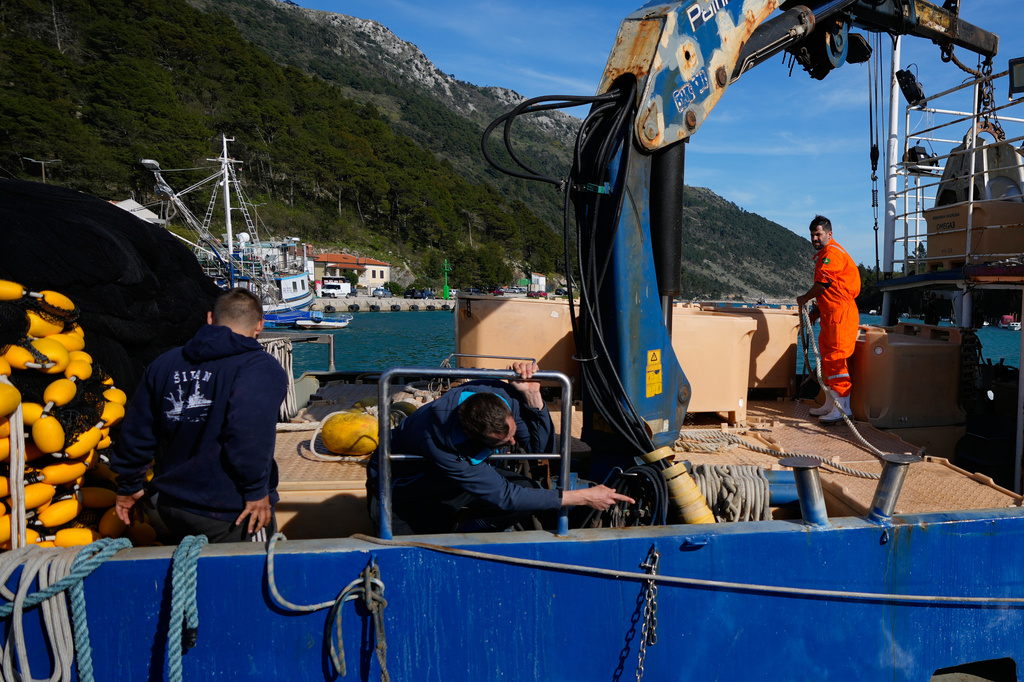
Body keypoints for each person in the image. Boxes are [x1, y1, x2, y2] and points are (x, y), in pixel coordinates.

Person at [367, 361, 633, 535]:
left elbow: (541, 450)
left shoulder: (502, 397)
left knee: (528, 489)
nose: (513, 443)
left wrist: (533, 399)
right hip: (407, 485)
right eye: (503, 443)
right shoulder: (438, 440)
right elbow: (506, 496)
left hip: (458, 477)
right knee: (410, 547)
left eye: (512, 434)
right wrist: (583, 497)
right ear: (472, 436)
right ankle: (456, 532)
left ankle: (468, 528)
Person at [111, 288, 288, 543]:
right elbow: (247, 434)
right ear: (260, 325)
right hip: (229, 510)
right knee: (252, 579)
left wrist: (128, 486)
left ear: (209, 319)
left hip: (172, 505)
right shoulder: (259, 367)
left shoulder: (164, 364)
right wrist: (256, 490)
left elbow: (137, 431)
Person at [796, 215, 861, 423]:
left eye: (818, 234)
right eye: (812, 235)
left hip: (841, 315)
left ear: (829, 234)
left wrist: (805, 298)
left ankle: (843, 409)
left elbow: (824, 284)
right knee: (826, 359)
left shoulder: (832, 254)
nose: (815, 238)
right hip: (830, 315)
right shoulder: (826, 254)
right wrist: (816, 311)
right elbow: (829, 290)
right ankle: (830, 404)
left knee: (836, 359)